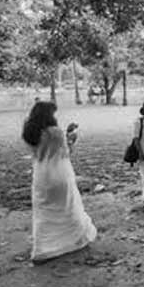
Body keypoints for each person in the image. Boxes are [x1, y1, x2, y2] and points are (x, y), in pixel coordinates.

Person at [21, 102, 97, 263]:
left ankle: (42, 248)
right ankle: (73, 240)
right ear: (49, 115)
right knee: (68, 207)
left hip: (41, 175)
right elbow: (66, 153)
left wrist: (66, 134)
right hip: (60, 173)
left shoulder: (30, 133)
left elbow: (40, 151)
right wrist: (71, 140)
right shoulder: (55, 132)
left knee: (44, 212)